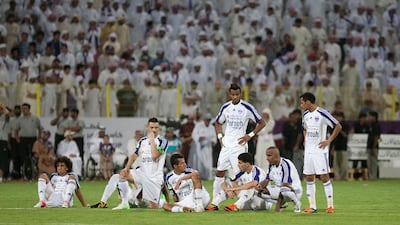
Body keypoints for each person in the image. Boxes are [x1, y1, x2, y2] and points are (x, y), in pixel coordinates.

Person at [208, 83, 266, 210]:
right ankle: (214, 201)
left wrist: (249, 135)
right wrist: (219, 137)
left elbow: (262, 122)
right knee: (219, 172)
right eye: (232, 94)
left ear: (241, 94)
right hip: (226, 145)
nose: (235, 97)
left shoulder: (247, 107)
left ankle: (242, 203)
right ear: (229, 94)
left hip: (239, 147)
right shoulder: (225, 107)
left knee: (241, 176)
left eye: (237, 94)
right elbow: (217, 122)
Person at [90, 117, 168, 210]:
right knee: (120, 175)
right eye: (152, 127)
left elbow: (155, 156)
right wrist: (127, 167)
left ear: (159, 128)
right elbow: (134, 155)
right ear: (147, 127)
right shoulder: (142, 141)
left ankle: (158, 200)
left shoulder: (163, 141)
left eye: (156, 128)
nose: (154, 130)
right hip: (142, 174)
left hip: (154, 178)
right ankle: (109, 202)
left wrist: (152, 140)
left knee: (152, 207)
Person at [299, 92, 342, 214]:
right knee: (308, 177)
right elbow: (304, 128)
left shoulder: (322, 113)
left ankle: (330, 206)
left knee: (324, 177)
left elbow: (338, 126)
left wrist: (328, 140)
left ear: (308, 102)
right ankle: (312, 206)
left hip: (319, 151)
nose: (301, 105)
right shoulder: (306, 115)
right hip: (309, 151)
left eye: (302, 102)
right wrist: (305, 140)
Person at [256, 146, 302, 213]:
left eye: (269, 156)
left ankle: (297, 204)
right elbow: (267, 179)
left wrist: (277, 205)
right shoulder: (271, 165)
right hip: (280, 188)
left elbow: (285, 184)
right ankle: (283, 204)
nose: (267, 158)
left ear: (276, 156)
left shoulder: (285, 164)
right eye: (267, 155)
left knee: (284, 190)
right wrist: (260, 186)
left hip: (293, 189)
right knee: (258, 192)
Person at [14, 103, 41, 180]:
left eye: (25, 108)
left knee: (33, 156)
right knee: (23, 156)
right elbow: (16, 130)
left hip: (33, 139)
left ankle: (33, 173)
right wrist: (17, 138)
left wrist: (39, 138)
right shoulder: (20, 119)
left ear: (29, 109)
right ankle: (24, 175)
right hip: (23, 139)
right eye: (23, 109)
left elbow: (39, 128)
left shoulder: (35, 118)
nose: (23, 110)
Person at [190, 113, 216, 180]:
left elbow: (214, 138)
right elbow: (194, 134)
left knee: (208, 162)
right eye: (207, 120)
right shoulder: (198, 125)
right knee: (199, 162)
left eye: (209, 120)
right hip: (199, 148)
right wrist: (199, 137)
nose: (208, 122)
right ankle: (198, 176)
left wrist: (213, 141)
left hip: (208, 148)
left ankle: (207, 176)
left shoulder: (212, 127)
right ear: (204, 120)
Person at [349, 112, 369, 180]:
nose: (364, 119)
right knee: (355, 161)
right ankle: (353, 176)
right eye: (363, 118)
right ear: (360, 118)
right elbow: (352, 132)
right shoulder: (356, 125)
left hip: (364, 147)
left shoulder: (366, 126)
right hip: (356, 147)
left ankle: (364, 176)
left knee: (364, 162)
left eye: (365, 118)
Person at [331, 111, 350, 181]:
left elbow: (345, 135)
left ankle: (344, 177)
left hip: (343, 147)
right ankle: (337, 177)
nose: (337, 118)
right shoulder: (335, 126)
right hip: (336, 147)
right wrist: (332, 148)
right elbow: (333, 138)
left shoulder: (345, 125)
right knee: (336, 164)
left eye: (339, 117)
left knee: (343, 164)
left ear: (342, 117)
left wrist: (339, 129)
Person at [367, 111, 381, 180]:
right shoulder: (371, 125)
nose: (369, 118)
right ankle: (370, 176)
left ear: (374, 117)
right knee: (369, 163)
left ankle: (374, 177)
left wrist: (373, 147)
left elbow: (377, 137)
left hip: (373, 148)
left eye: (370, 116)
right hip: (369, 147)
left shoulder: (376, 126)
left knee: (374, 163)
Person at [0, 102, 10, 182]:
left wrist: (2, 106)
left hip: (2, 140)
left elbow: (7, 113)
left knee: (2, 159)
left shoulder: (4, 118)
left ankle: (0, 177)